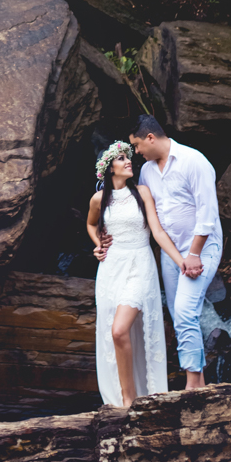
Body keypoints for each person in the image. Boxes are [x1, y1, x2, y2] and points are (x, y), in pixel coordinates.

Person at [86, 139, 187, 408]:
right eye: (120, 158)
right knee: (113, 333)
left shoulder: (141, 192)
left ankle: (131, 398)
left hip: (140, 265)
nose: (128, 161)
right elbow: (90, 223)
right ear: (109, 168)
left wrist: (181, 261)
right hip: (111, 268)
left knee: (120, 331)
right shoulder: (99, 198)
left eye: (127, 156)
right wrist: (98, 245)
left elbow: (157, 232)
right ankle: (124, 399)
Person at [129, 114, 224, 392]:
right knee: (179, 313)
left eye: (136, 145)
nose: (136, 152)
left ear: (150, 137)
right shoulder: (147, 171)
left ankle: (192, 384)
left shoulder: (194, 162)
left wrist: (193, 254)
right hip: (170, 252)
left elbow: (208, 212)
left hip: (202, 248)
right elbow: (149, 215)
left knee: (184, 311)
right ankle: (201, 382)